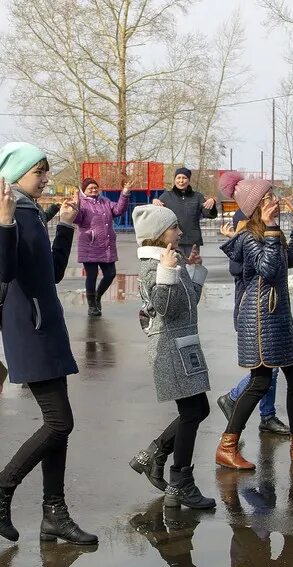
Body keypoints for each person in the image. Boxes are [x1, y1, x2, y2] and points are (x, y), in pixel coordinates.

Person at [0, 142, 95, 546]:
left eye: (45, 171)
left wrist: (65, 225)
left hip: (47, 321)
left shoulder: (30, 211)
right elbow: (3, 270)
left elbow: (54, 273)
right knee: (60, 423)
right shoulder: (5, 212)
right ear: (17, 174)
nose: (45, 178)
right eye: (38, 172)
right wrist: (4, 225)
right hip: (29, 326)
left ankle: (54, 515)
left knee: (58, 426)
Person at [214, 172, 293, 470]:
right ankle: (227, 445)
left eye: (272, 196)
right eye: (267, 199)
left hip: (277, 316)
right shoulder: (249, 237)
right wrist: (271, 227)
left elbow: (288, 259)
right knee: (260, 381)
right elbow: (267, 268)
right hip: (260, 317)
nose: (274, 202)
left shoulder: (268, 232)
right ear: (255, 207)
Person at [129, 204, 214, 509]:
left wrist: (191, 271)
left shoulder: (169, 260)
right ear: (159, 234)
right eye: (174, 227)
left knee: (198, 409)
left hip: (184, 344)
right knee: (193, 412)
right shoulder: (153, 267)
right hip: (169, 348)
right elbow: (163, 306)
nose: (180, 232)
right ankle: (179, 482)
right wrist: (168, 269)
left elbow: (185, 303)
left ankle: (155, 455)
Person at [216, 206, 289, 438]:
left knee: (270, 368)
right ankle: (236, 398)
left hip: (268, 311)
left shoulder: (260, 239)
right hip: (250, 312)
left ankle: (265, 414)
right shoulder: (247, 242)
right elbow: (247, 268)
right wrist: (238, 242)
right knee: (266, 370)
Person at [74, 177, 129, 317]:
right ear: (84, 190)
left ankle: (97, 297)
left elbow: (118, 210)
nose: (93, 190)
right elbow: (77, 219)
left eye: (95, 187)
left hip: (106, 246)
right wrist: (75, 206)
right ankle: (92, 306)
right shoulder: (82, 203)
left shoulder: (105, 201)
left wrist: (124, 194)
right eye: (90, 188)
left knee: (110, 274)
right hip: (89, 245)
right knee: (91, 276)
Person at [152, 167, 217, 258]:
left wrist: (212, 203)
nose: (181, 181)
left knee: (193, 269)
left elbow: (209, 214)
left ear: (189, 180)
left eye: (184, 178)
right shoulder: (166, 196)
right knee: (174, 268)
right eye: (178, 178)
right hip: (172, 241)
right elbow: (156, 216)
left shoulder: (197, 197)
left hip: (192, 241)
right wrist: (154, 204)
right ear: (175, 180)